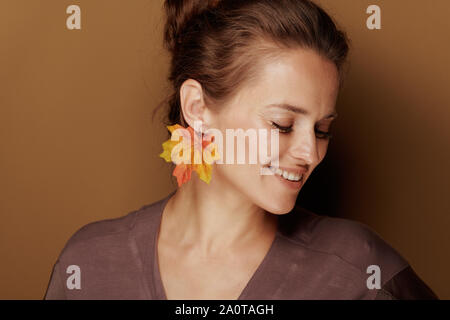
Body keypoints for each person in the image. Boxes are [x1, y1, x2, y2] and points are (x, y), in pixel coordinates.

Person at [44, 0, 438, 300]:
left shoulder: (360, 270)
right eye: (282, 124)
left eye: (322, 130)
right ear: (197, 108)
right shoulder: (90, 264)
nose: (310, 153)